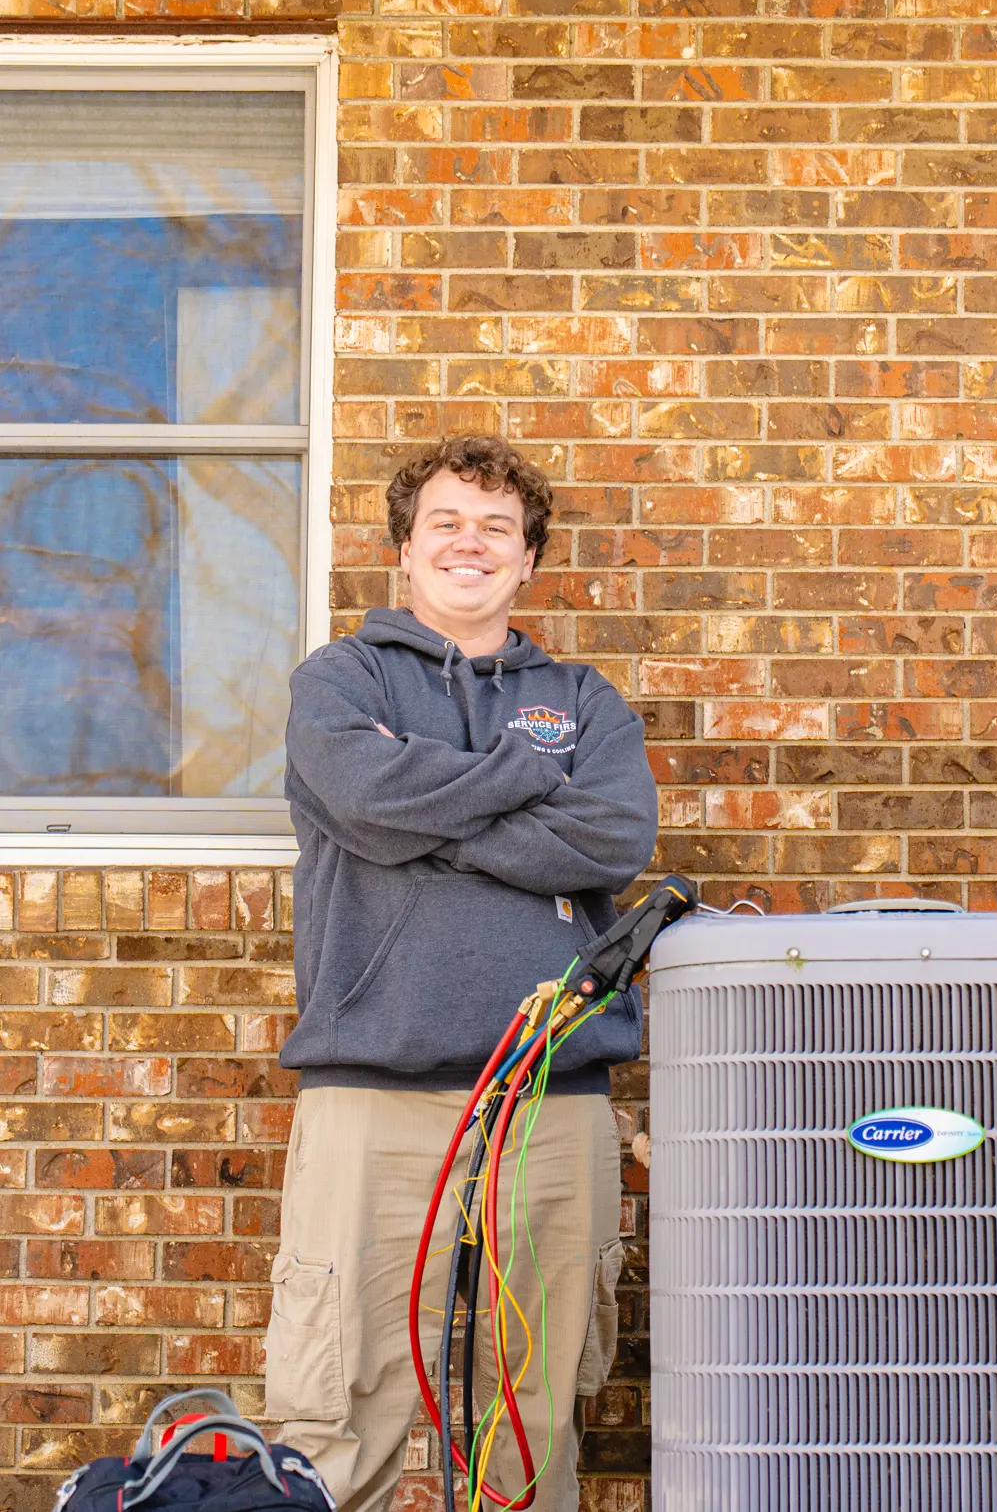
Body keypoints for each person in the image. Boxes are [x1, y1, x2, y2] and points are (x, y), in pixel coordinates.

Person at [265, 434, 659, 1512]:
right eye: (445, 520)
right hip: (375, 1095)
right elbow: (361, 794)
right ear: (404, 547)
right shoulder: (341, 679)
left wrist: (427, 817)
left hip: (552, 1099)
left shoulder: (583, 700)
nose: (469, 542)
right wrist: (526, 784)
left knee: (533, 1421)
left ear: (528, 557)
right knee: (339, 1408)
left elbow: (610, 838)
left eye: (496, 526)